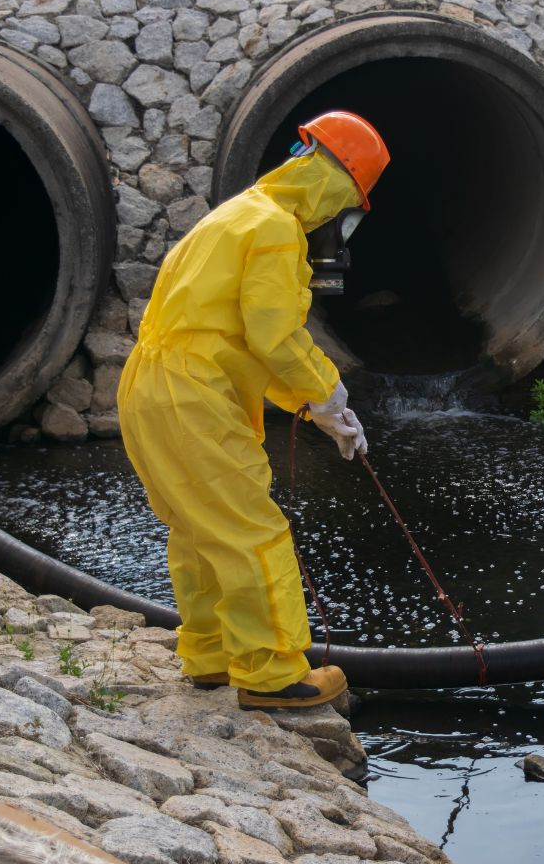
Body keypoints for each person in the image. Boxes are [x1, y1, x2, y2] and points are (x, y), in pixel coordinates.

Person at [117, 111, 389, 709]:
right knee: (251, 530)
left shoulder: (234, 214)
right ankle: (270, 674)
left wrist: (312, 406)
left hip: (151, 382)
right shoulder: (274, 228)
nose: (335, 217)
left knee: (199, 529)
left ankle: (213, 656)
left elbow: (231, 335)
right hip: (194, 393)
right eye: (347, 201)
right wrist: (326, 389)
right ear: (333, 181)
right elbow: (272, 335)